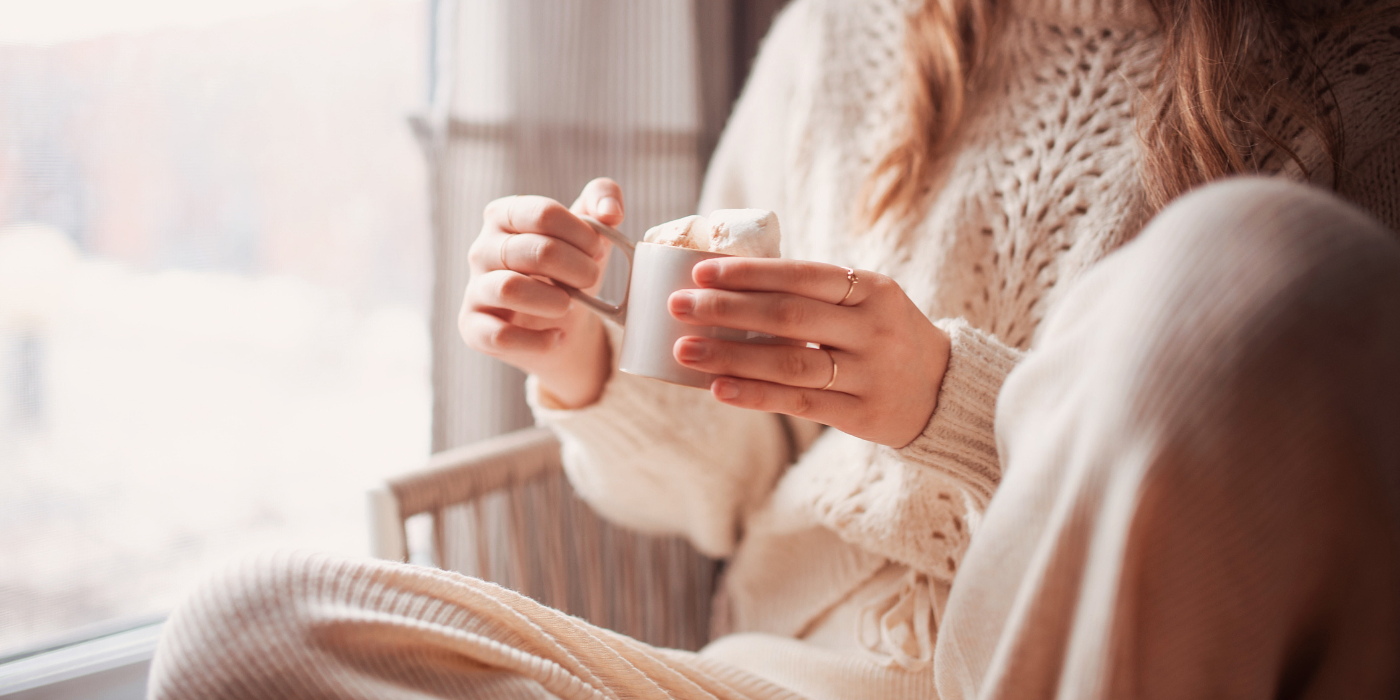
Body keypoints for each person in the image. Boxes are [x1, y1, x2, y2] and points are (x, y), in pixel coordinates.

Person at [150, 0, 1400, 697]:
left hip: (1070, 667)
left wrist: (947, 400)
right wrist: (583, 361)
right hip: (776, 680)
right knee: (240, 632)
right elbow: (715, 493)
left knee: (1252, 260)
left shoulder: (1358, 70)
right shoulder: (839, 37)